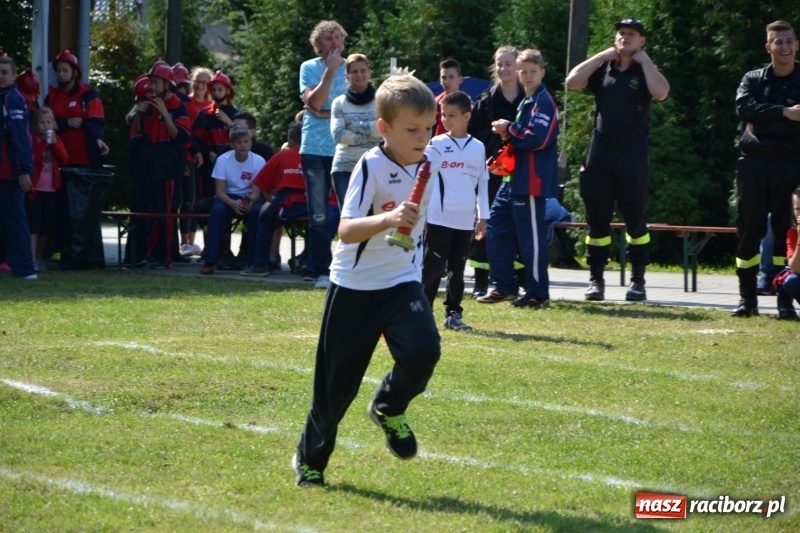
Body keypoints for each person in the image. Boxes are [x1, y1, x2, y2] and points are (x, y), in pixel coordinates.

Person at [292, 74, 442, 487]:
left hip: (400, 281)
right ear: (384, 128)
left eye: (428, 128)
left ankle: (390, 406)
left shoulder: (432, 163)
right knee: (335, 391)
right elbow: (345, 230)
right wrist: (389, 219)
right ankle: (310, 459)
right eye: (412, 130)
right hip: (355, 287)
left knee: (424, 349)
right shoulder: (370, 165)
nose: (422, 137)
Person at [565, 18, 670, 302]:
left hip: (633, 152)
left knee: (635, 220)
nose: (625, 38)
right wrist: (601, 56)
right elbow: (572, 82)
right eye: (621, 34)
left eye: (631, 34)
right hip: (601, 150)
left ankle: (638, 282)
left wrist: (646, 62)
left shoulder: (644, 70)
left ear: (641, 41)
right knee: (597, 220)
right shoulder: (604, 69)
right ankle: (596, 281)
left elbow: (661, 92)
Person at [476, 49, 560, 308]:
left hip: (531, 181)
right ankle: (504, 286)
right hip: (511, 179)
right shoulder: (528, 101)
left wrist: (508, 128)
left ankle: (538, 293)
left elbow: (537, 138)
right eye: (523, 71)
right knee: (495, 228)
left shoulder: (544, 102)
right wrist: (508, 134)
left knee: (530, 239)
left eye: (533, 71)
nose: (527, 75)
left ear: (542, 73)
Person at [730, 20, 800, 317]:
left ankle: (785, 302)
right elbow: (744, 110)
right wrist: (785, 112)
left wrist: (763, 118)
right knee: (749, 230)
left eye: (789, 41)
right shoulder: (753, 79)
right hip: (754, 165)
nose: (784, 47)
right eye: (778, 42)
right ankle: (748, 300)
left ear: (796, 45)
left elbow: (754, 115)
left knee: (788, 232)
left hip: (791, 166)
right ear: (768, 47)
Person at [422, 90, 489, 330]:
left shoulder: (478, 147)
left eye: (452, 115)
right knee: (432, 269)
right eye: (443, 115)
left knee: (457, 272)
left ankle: (453, 314)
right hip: (439, 219)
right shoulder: (436, 144)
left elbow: (482, 182)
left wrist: (483, 217)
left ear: (467, 116)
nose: (445, 120)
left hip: (464, 222)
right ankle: (423, 313)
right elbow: (425, 179)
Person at [467, 46, 525, 298]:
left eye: (509, 64)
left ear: (518, 67)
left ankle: (521, 280)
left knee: (519, 225)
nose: (504, 69)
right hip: (492, 172)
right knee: (487, 223)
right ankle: (481, 280)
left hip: (522, 170)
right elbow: (473, 135)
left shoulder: (529, 97)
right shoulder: (486, 100)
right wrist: (497, 140)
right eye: (499, 64)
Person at [45, 49, 110, 268]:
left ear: (75, 72)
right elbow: (44, 122)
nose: (61, 74)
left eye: (65, 70)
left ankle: (84, 255)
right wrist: (66, 123)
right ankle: (63, 252)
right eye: (59, 70)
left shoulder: (88, 94)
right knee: (62, 211)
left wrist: (99, 141)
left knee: (83, 213)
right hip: (59, 163)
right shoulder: (52, 96)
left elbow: (95, 122)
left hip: (85, 165)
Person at [299, 20, 349, 289]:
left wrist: (322, 113)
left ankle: (348, 268)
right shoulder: (309, 68)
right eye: (328, 39)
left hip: (346, 149)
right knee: (318, 214)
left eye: (337, 37)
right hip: (315, 150)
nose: (334, 43)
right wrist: (329, 72)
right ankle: (319, 269)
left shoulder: (354, 67)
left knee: (350, 211)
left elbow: (361, 108)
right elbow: (314, 101)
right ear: (318, 45)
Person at [131, 60, 191, 269]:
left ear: (167, 83)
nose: (152, 86)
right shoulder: (149, 101)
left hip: (168, 161)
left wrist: (164, 112)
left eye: (156, 82)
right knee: (149, 208)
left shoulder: (178, 105)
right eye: (151, 82)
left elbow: (178, 136)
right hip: (150, 160)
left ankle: (165, 256)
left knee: (165, 210)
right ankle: (145, 253)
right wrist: (139, 111)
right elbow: (139, 131)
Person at [241, 122, 306, 276]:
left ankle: (261, 265)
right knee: (315, 225)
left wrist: (270, 200)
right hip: (310, 202)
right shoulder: (314, 156)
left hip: (286, 201)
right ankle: (308, 263)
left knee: (265, 220)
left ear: (290, 142)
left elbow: (262, 182)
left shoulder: (282, 155)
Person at [200, 126, 266, 275]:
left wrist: (250, 202)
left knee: (256, 213)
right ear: (231, 144)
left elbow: (257, 192)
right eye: (238, 142)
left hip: (249, 197)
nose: (242, 145)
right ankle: (210, 261)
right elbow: (219, 191)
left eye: (245, 141)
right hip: (227, 197)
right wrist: (231, 203)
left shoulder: (258, 161)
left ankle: (251, 261)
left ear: (251, 143)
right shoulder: (223, 160)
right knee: (217, 212)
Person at [0, 55, 37, 280]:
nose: (0, 76)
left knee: (15, 218)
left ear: (14, 75)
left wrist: (24, 169)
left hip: (9, 171)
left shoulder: (13, 98)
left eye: (5, 72)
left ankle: (25, 269)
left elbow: (21, 137)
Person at [330, 53, 381, 208]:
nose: (359, 75)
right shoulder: (339, 103)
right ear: (347, 75)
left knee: (375, 219)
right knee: (350, 218)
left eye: (363, 70)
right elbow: (338, 135)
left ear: (369, 73)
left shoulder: (382, 100)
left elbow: (383, 129)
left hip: (376, 166)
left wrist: (354, 126)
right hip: (345, 168)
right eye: (354, 72)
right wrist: (371, 134)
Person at [26, 107, 68, 272]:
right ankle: (31, 258)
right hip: (35, 189)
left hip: (51, 189)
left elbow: (65, 159)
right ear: (36, 125)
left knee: (45, 225)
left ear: (54, 124)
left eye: (49, 122)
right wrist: (43, 143)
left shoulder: (57, 140)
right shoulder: (33, 140)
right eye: (42, 122)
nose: (46, 126)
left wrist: (54, 145)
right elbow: (33, 160)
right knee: (34, 224)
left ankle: (40, 257)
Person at [181, 66, 213, 257]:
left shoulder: (211, 107)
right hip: (188, 157)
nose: (200, 85)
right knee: (188, 200)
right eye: (197, 81)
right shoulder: (186, 104)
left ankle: (200, 243)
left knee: (203, 200)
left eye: (204, 82)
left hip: (208, 161)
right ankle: (185, 243)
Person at [773, 187, 800, 319]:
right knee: (789, 279)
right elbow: (795, 268)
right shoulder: (792, 233)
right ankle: (785, 307)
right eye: (798, 209)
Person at [433, 58, 464, 137]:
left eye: (451, 77)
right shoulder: (434, 103)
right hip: (436, 147)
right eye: (443, 77)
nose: (446, 81)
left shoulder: (467, 106)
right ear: (440, 80)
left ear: (460, 79)